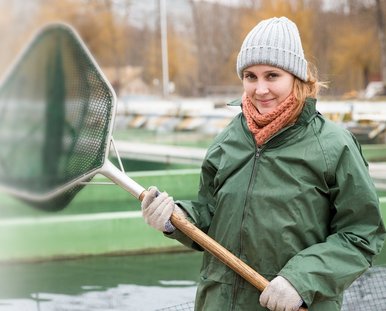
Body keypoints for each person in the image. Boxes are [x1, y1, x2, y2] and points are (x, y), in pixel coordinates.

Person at [141, 16, 386, 311]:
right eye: (250, 76)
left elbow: (361, 235)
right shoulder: (227, 141)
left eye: (272, 75)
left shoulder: (335, 146)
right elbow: (210, 216)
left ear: (296, 76)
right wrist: (175, 219)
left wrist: (301, 279)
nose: (260, 89)